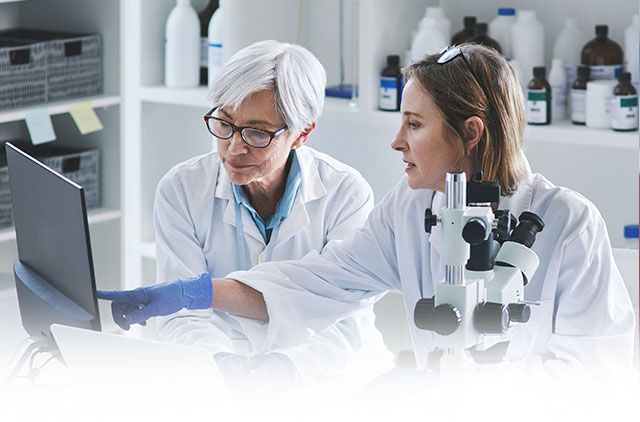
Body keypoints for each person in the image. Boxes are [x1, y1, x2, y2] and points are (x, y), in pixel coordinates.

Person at [99, 44, 635, 376]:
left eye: (415, 125)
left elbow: (597, 373)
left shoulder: (568, 223)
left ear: (469, 133)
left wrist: (471, 391)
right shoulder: (410, 208)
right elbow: (316, 284)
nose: (396, 142)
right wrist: (196, 293)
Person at [99, 40, 390, 383]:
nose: (234, 148)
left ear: (302, 133)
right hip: (227, 369)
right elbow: (184, 316)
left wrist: (286, 369)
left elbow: (345, 319)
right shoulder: (182, 188)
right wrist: (220, 364)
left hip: (331, 375)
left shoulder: (345, 194)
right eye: (224, 123)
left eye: (256, 133)